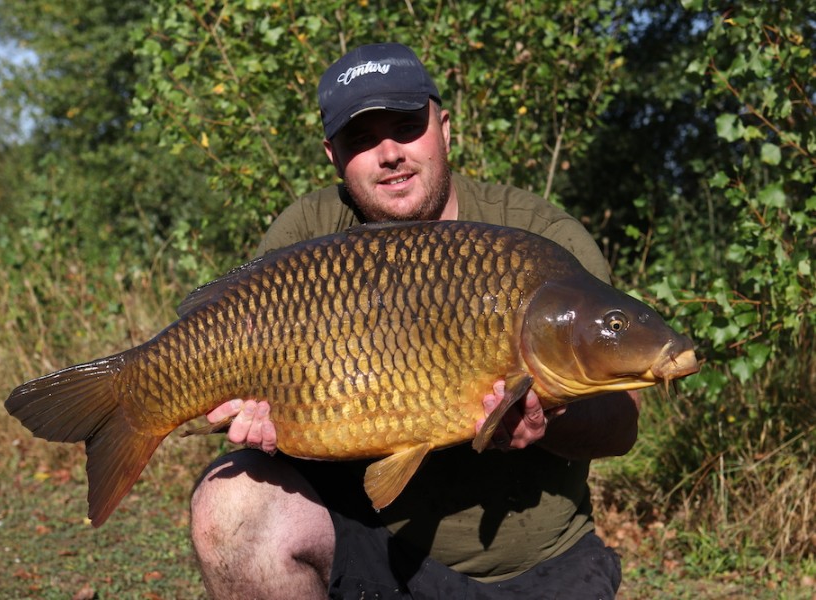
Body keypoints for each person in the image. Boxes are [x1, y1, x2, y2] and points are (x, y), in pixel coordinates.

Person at [189, 43, 638, 599]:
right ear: (333, 155)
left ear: (443, 129)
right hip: (366, 543)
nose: (390, 153)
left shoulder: (541, 243)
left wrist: (551, 412)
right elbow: (256, 388)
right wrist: (265, 430)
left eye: (405, 126)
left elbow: (623, 425)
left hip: (533, 567)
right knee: (228, 505)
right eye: (361, 139)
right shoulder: (309, 233)